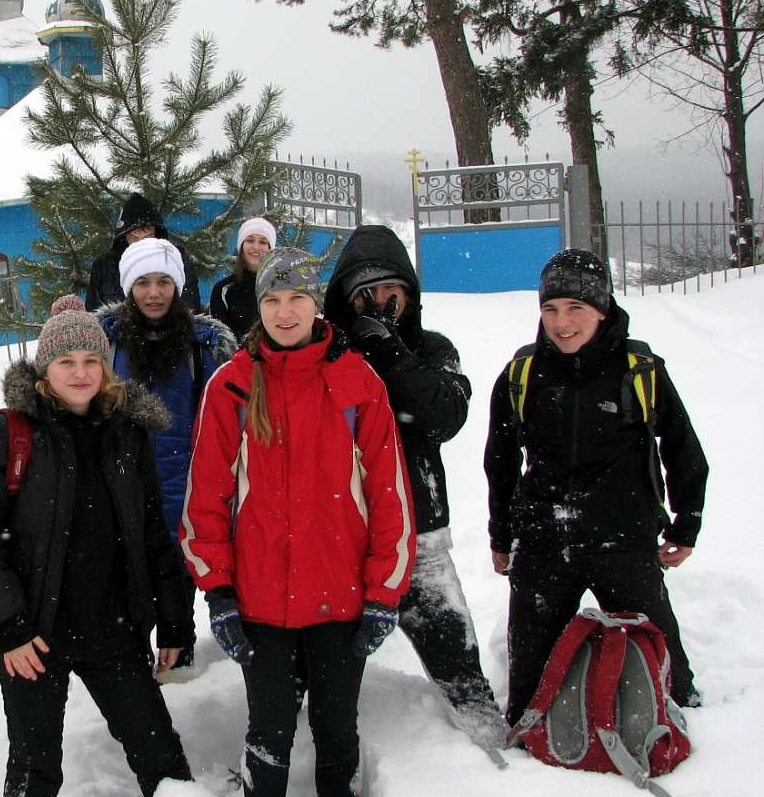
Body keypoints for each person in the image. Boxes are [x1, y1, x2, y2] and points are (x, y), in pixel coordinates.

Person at [182, 248, 416, 797]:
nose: (285, 313)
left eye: (297, 299)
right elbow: (205, 499)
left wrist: (384, 593)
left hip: (341, 600)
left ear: (316, 304)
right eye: (272, 300)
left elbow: (390, 498)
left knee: (337, 734)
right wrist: (218, 590)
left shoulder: (357, 382)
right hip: (260, 603)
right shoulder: (232, 386)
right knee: (269, 736)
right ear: (258, 306)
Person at [0, 295, 194, 797]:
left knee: (162, 762)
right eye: (66, 361)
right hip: (34, 636)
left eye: (91, 360)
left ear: (105, 368)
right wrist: (9, 626)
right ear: (45, 370)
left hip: (115, 631)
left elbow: (153, 534)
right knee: (33, 771)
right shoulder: (11, 432)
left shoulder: (127, 434)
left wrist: (175, 621)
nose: (80, 373)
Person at [485, 249, 708, 726]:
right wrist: (501, 536)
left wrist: (686, 522)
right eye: (550, 309)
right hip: (544, 543)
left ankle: (680, 735)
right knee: (528, 692)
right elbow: (500, 464)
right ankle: (531, 749)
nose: (561, 323)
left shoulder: (640, 370)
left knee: (667, 677)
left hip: (622, 540)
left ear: (602, 310)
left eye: (575, 308)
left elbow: (683, 448)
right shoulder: (522, 374)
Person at [323, 224, 505, 748]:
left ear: (408, 292)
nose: (379, 302)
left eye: (390, 290)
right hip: (345, 535)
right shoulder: (331, 351)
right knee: (325, 666)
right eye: (365, 294)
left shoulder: (432, 348)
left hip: (420, 535)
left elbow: (445, 416)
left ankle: (490, 749)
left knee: (457, 660)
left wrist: (392, 353)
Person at [96, 236, 237, 680]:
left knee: (178, 580)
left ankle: (182, 659)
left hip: (187, 488)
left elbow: (224, 420)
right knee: (127, 584)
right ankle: (134, 669)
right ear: (128, 287)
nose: (154, 293)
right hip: (122, 488)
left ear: (177, 286)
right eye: (143, 283)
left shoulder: (203, 346)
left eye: (163, 282)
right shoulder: (106, 344)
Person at [86, 192, 202, 311]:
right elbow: (93, 313)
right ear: (124, 237)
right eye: (134, 237)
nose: (141, 243)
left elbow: (190, 311)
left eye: (148, 236)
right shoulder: (104, 267)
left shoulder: (177, 262)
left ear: (157, 234)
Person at [209, 216, 276, 341]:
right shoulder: (223, 289)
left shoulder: (281, 287)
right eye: (250, 240)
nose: (256, 247)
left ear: (270, 248)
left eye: (262, 242)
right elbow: (221, 341)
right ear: (241, 246)